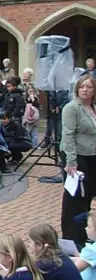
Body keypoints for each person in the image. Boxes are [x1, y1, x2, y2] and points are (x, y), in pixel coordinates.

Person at [60, 75, 96, 245]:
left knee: (90, 196)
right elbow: (68, 134)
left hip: (92, 156)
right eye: (82, 86)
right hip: (75, 157)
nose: (85, 89)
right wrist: (71, 161)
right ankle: (71, 237)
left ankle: (87, 233)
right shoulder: (72, 108)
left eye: (89, 87)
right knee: (75, 198)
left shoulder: (93, 108)